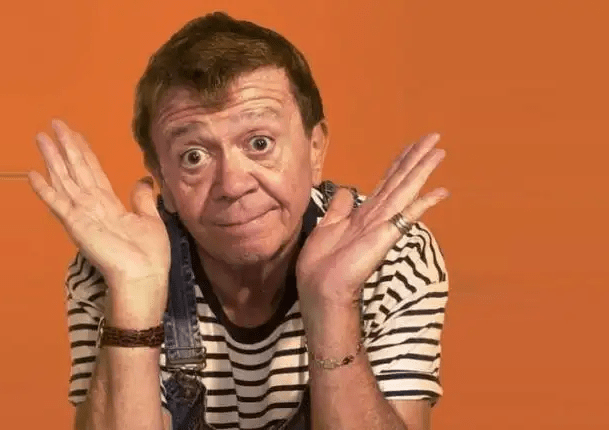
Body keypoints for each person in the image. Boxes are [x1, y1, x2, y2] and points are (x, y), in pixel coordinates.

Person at [28, 11, 450, 430]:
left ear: (315, 147)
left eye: (260, 143)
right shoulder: (114, 267)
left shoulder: (390, 255)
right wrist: (134, 300)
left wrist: (334, 305)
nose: (232, 184)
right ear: (163, 180)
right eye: (194, 156)